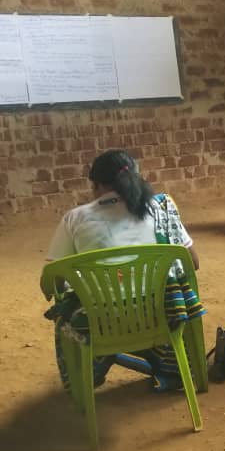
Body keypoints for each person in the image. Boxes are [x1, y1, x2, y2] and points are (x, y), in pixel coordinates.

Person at [44, 150, 205, 393]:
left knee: (66, 314)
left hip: (99, 323)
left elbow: (51, 281)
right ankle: (172, 366)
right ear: (136, 178)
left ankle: (85, 378)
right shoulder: (161, 211)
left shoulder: (75, 219)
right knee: (172, 294)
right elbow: (192, 262)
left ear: (95, 186)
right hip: (161, 316)